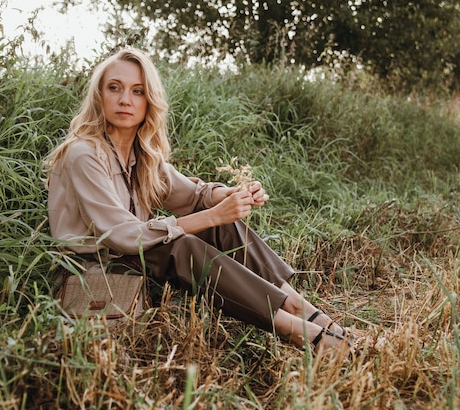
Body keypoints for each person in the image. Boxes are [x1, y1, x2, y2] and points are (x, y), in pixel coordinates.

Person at [45, 47, 351, 355]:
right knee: (184, 244)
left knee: (223, 228)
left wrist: (230, 196)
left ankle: (302, 308)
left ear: (149, 100)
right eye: (115, 88)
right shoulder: (84, 153)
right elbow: (122, 236)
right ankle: (296, 328)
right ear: (99, 95)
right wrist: (212, 216)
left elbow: (193, 196)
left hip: (134, 256)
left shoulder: (142, 155)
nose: (125, 99)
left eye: (137, 91)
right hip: (97, 265)